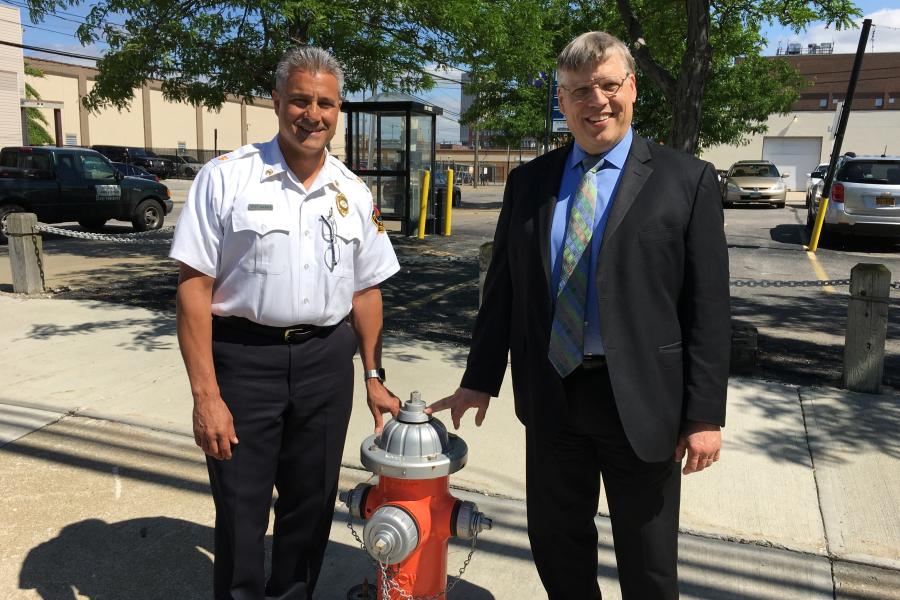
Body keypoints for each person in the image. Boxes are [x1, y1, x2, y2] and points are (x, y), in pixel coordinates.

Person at [427, 31, 730, 599]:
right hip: (553, 398)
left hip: (642, 404)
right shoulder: (529, 183)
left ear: (632, 88)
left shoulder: (685, 181)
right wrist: (479, 380)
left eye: (609, 85)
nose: (597, 101)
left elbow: (708, 310)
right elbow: (505, 293)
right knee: (558, 549)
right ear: (561, 102)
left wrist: (705, 415)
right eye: (579, 91)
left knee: (649, 564)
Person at [170, 46, 401, 600]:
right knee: (241, 511)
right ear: (276, 102)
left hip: (326, 362)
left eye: (325, 103)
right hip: (244, 363)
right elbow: (193, 290)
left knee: (311, 507)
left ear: (338, 110)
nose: (312, 114)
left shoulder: (353, 190)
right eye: (300, 100)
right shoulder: (226, 178)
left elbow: (366, 291)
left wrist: (372, 374)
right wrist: (206, 396)